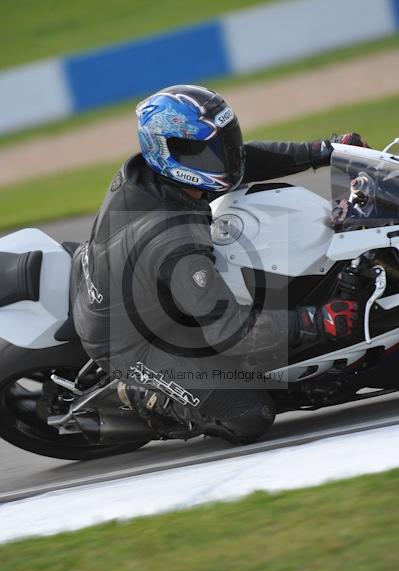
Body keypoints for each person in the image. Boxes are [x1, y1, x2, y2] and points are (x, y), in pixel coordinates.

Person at [71, 84, 367, 444]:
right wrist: (317, 321)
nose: (219, 158)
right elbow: (231, 330)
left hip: (125, 281)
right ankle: (138, 394)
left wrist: (326, 150)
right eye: (200, 151)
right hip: (131, 340)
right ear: (164, 151)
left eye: (220, 144)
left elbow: (245, 160)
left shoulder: (156, 173)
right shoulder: (173, 241)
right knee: (249, 414)